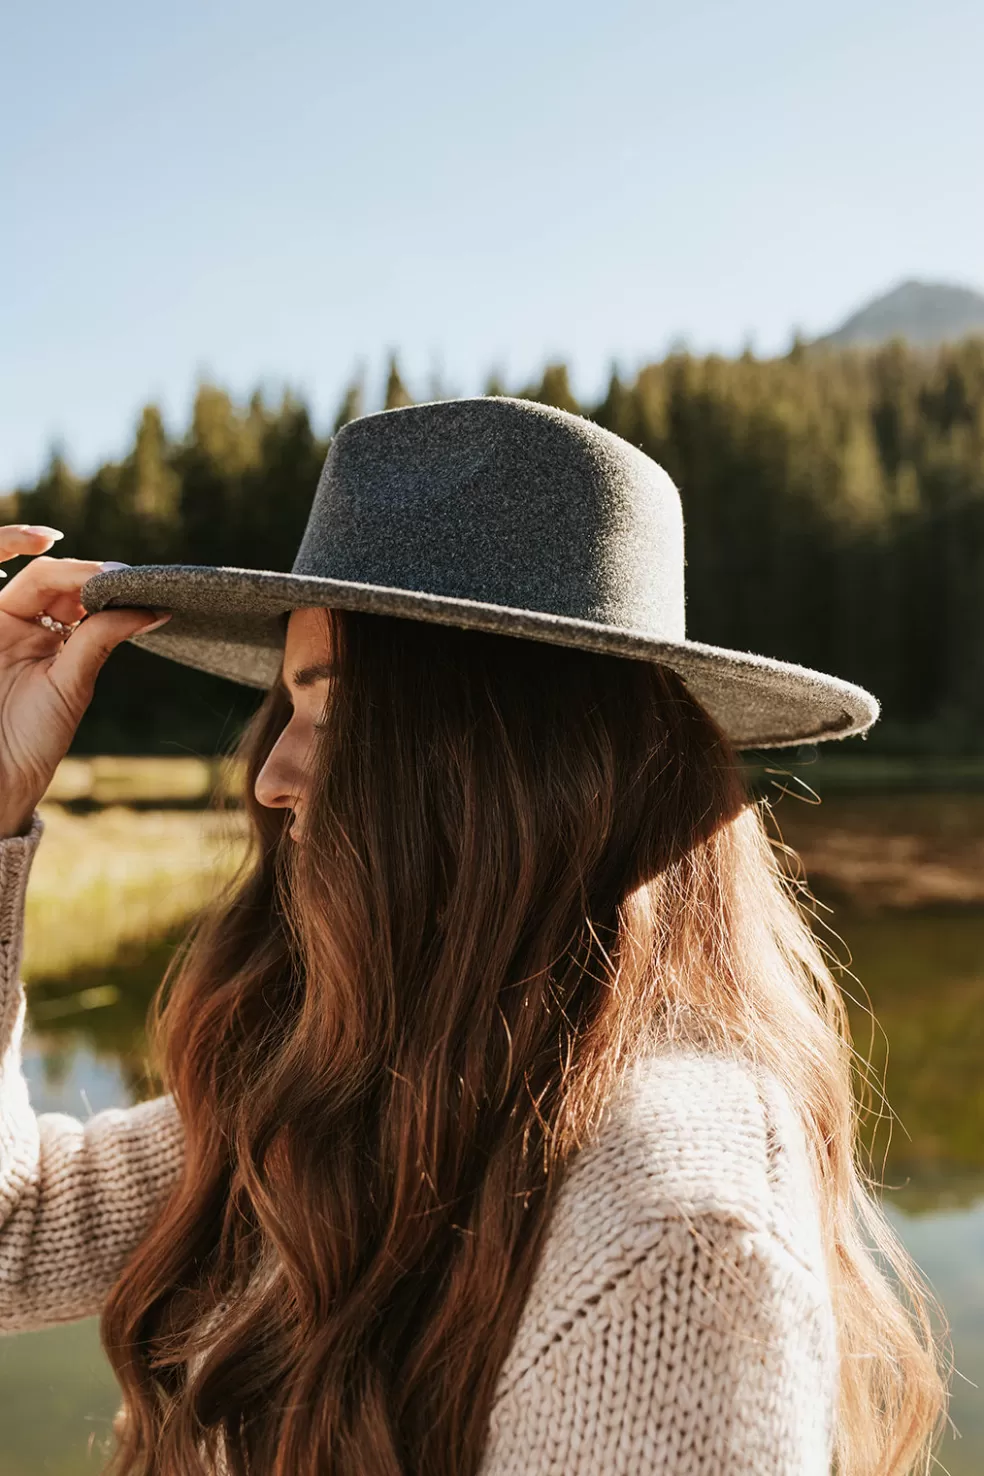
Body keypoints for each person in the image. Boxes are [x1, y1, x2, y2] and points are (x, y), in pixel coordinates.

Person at [0, 397, 947, 1475]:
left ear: (516, 761)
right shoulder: (372, 1071)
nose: (272, 779)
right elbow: (11, 1236)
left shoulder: (673, 1229)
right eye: (286, 713)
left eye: (337, 716)